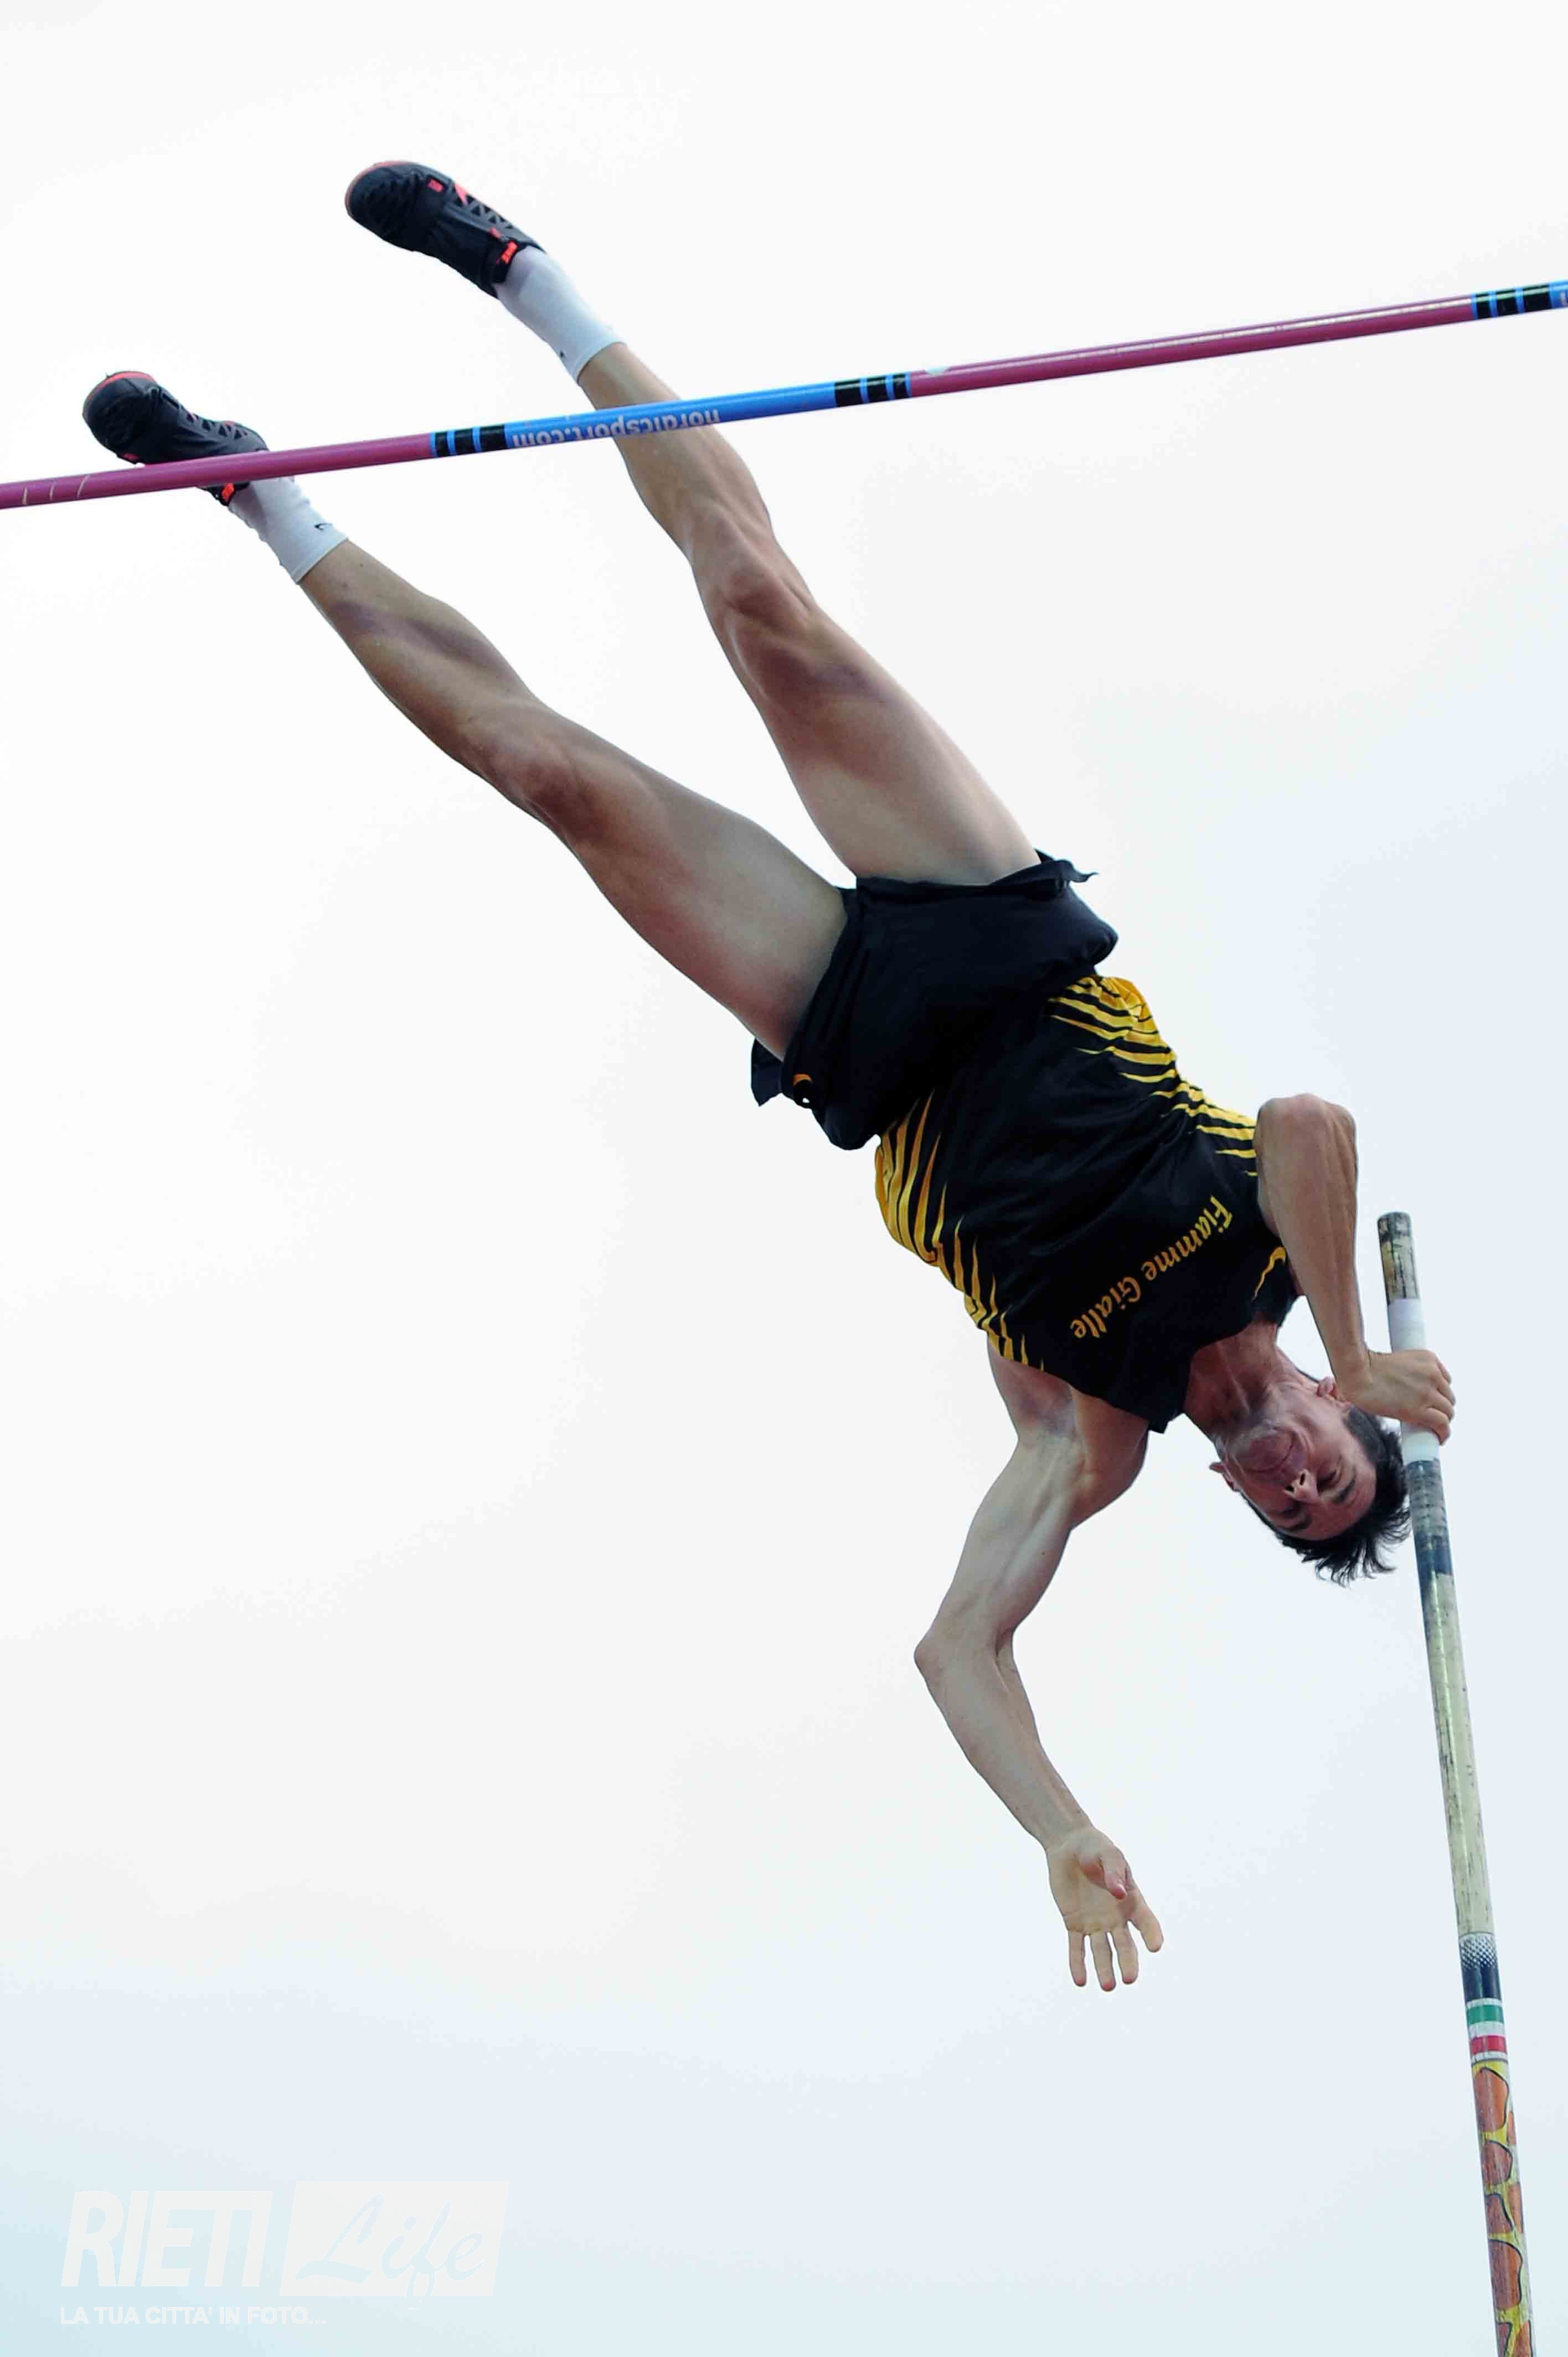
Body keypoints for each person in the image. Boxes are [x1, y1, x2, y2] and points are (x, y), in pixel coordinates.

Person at [82, 162, 1455, 1996]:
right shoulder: (1283, 1254)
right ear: (1345, 1417)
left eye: (1294, 1510)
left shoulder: (1092, 1433)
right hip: (992, 926)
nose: (1295, 1476)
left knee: (547, 776)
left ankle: (258, 494)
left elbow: (956, 1652)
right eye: (1334, 1471)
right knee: (759, 605)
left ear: (1247, 1504)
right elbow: (1308, 1124)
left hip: (857, 1039)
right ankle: (522, 269)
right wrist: (1356, 1339)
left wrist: (1057, 1827)